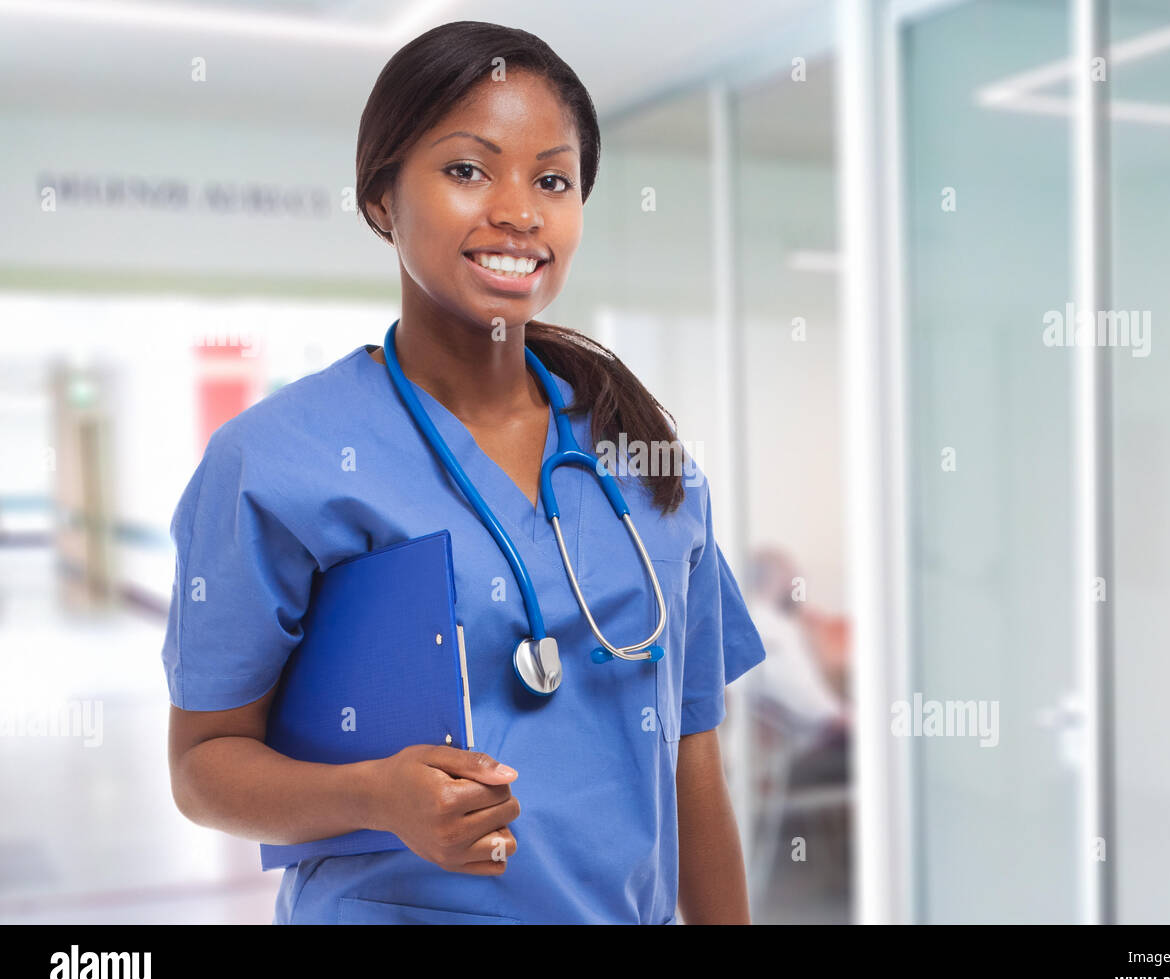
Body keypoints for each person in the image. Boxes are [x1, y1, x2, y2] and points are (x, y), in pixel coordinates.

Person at [162, 20, 766, 926]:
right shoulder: (276, 460)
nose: (519, 210)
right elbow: (203, 765)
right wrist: (374, 796)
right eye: (468, 170)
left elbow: (693, 753)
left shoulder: (643, 461)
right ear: (380, 200)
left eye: (552, 180)